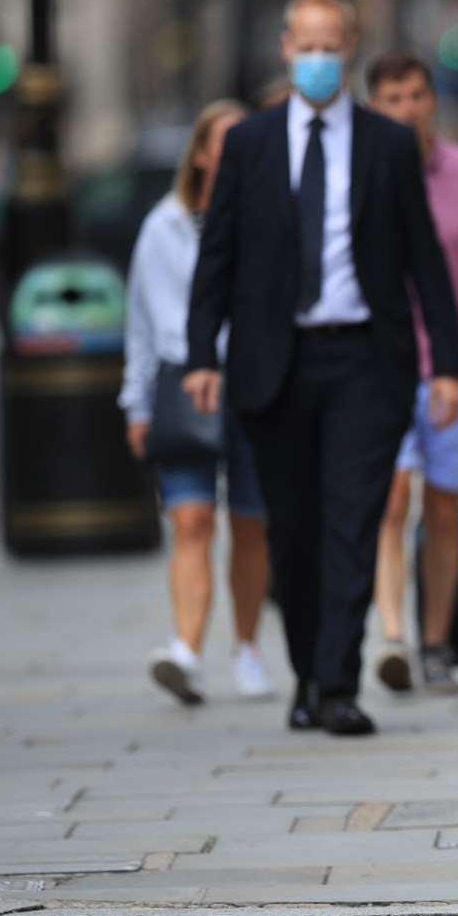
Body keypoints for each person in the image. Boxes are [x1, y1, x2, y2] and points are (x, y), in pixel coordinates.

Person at [185, 0, 458, 737]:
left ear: (349, 50)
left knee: (352, 519)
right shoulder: (247, 144)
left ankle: (338, 684)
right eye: (304, 45)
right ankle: (307, 671)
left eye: (330, 45)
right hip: (273, 362)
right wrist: (199, 355)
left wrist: (451, 365)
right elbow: (217, 257)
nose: (316, 58)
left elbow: (423, 260)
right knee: (293, 531)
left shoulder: (385, 143)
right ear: (285, 48)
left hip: (367, 363)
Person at [120, 99, 274, 707]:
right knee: (190, 519)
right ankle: (185, 648)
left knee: (250, 523)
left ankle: (248, 647)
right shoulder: (166, 225)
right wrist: (135, 402)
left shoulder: (272, 218)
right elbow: (139, 317)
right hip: (183, 382)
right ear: (202, 153)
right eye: (221, 143)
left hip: (254, 382)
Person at [363, 52, 458, 693]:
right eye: (392, 98)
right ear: (374, 106)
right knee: (390, 500)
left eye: (416, 95)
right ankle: (392, 632)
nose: (407, 109)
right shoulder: (359, 175)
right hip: (382, 365)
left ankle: (436, 639)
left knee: (444, 507)